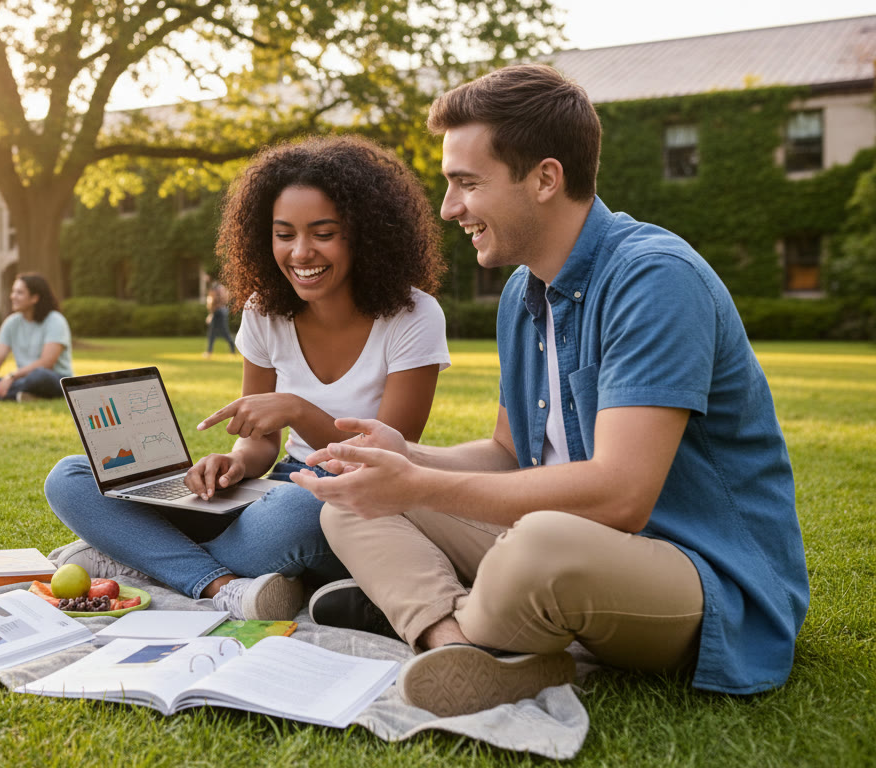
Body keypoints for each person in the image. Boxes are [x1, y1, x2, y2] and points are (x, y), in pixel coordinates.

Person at [295, 64, 809, 718]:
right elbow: (511, 451)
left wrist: (419, 487)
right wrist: (405, 459)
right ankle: (453, 643)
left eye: (466, 183)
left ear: (545, 178)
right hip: (568, 540)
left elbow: (621, 494)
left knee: (536, 546)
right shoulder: (523, 292)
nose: (450, 207)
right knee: (353, 503)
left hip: (702, 575)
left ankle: (427, 608)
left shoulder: (654, 279)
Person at [43, 135, 452, 621]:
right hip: (270, 491)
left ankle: (143, 555)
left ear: (365, 233)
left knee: (295, 518)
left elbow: (391, 452)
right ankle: (218, 582)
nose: (301, 252)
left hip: (346, 500)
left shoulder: (414, 316)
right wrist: (233, 464)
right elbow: (260, 445)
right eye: (284, 234)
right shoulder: (264, 311)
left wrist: (300, 411)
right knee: (69, 477)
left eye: (323, 232)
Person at [0, 273, 73, 401]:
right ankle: (23, 395)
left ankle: (3, 393)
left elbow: (47, 363)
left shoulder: (55, 321)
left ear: (34, 298)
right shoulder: (11, 322)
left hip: (54, 379)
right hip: (22, 379)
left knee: (38, 376)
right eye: (13, 292)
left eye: (19, 293)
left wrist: (12, 377)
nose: (13, 296)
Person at [203, 282, 236, 358]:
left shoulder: (214, 289)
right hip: (223, 310)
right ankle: (210, 351)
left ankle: (209, 352)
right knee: (216, 332)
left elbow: (212, 301)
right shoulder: (222, 288)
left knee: (216, 332)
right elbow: (226, 299)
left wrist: (211, 314)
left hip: (217, 311)